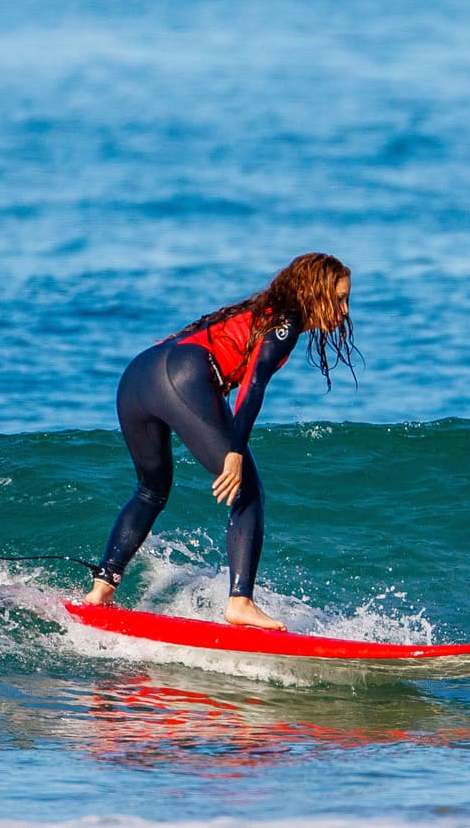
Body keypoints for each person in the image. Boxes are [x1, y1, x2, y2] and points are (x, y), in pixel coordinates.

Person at [82, 253, 356, 631]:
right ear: (316, 292)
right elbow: (253, 387)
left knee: (151, 491)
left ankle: (100, 591)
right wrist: (235, 452)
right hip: (182, 376)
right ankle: (240, 602)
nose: (343, 311)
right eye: (339, 299)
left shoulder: (262, 311)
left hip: (137, 376)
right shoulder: (285, 322)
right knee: (247, 490)